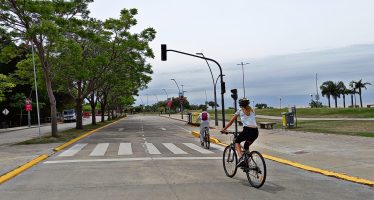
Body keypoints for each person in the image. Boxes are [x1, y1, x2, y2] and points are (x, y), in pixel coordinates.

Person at [221, 98, 258, 167]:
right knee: (246, 146)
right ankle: (247, 160)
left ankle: (241, 159)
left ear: (240, 104)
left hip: (247, 130)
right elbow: (250, 121)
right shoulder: (252, 110)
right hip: (255, 132)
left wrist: (224, 129)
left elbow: (231, 122)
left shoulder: (239, 110)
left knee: (237, 142)